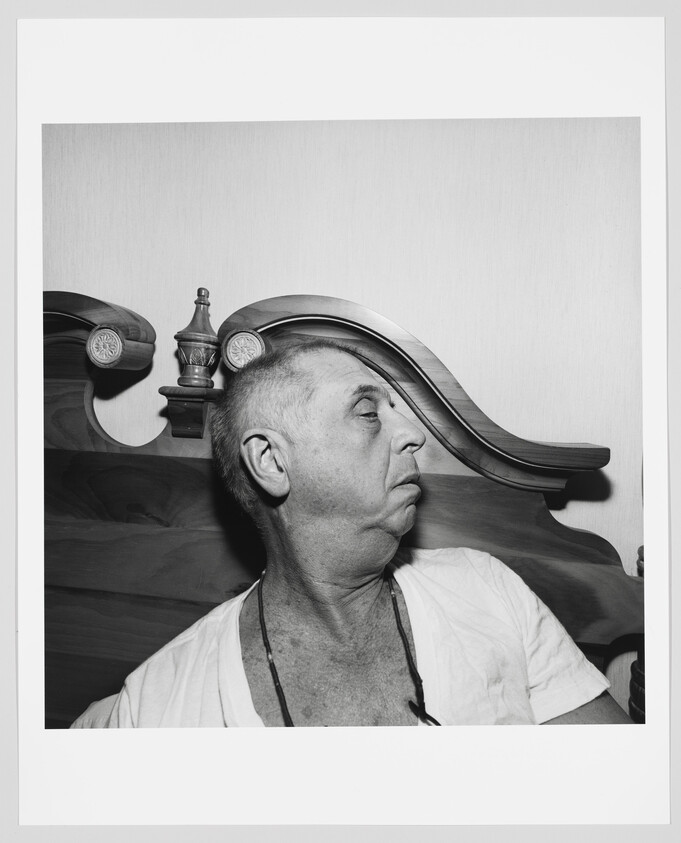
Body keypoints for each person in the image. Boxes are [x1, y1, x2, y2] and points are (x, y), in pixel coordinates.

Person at [72, 339, 630, 728]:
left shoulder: (487, 591)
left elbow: (626, 797)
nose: (414, 435)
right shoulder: (159, 704)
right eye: (368, 411)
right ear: (270, 460)